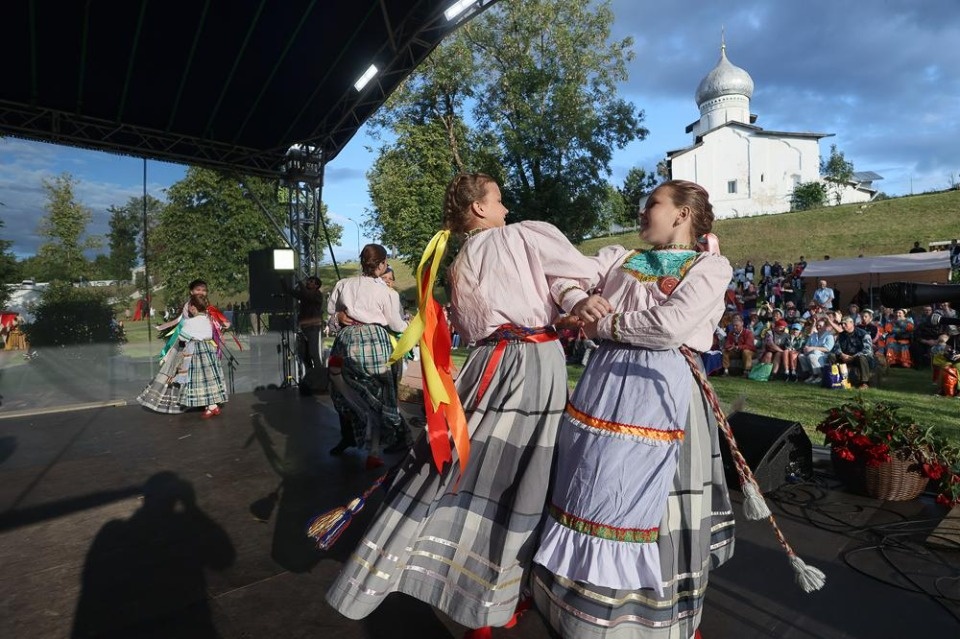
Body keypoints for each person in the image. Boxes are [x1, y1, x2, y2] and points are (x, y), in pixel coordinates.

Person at [325, 173, 603, 635]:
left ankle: (468, 588)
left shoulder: (458, 260)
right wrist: (617, 262)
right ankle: (500, 593)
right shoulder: (520, 235)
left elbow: (489, 317)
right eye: (499, 199)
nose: (506, 208)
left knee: (469, 467)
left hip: (486, 362)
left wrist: (563, 306)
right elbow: (583, 272)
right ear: (479, 207)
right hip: (532, 363)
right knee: (529, 472)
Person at [531, 180, 737, 638]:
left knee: (662, 503)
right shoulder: (618, 256)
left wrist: (601, 324)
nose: (643, 211)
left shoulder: (710, 266)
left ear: (682, 214)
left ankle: (656, 620)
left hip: (664, 393)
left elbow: (670, 326)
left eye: (653, 204)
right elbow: (561, 273)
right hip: (603, 387)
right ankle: (577, 614)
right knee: (590, 485)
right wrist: (578, 300)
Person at [325, 244, 409, 466]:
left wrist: (338, 317)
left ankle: (359, 429)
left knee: (347, 387)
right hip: (375, 341)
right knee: (380, 393)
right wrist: (412, 327)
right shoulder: (387, 293)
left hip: (347, 340)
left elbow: (331, 313)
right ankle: (374, 452)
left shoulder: (344, 284)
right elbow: (396, 324)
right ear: (382, 264)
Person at [137, 279, 230, 414]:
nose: (201, 292)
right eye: (198, 290)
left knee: (195, 375)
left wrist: (217, 328)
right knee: (182, 372)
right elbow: (188, 328)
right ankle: (193, 402)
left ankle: (204, 402)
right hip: (188, 347)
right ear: (191, 292)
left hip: (194, 346)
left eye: (204, 290)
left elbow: (211, 325)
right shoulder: (191, 306)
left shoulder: (205, 307)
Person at [173, 294, 229, 418]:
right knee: (210, 378)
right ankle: (212, 406)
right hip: (209, 349)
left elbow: (182, 336)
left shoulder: (189, 322)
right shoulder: (210, 319)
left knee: (198, 379)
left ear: (193, 307)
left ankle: (212, 407)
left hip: (196, 351)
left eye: (189, 306)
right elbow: (220, 328)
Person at [830, 315, 875, 389]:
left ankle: (864, 383)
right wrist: (841, 354)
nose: (843, 326)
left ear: (852, 323)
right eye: (842, 324)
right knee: (832, 356)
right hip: (845, 357)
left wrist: (853, 357)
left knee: (862, 357)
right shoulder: (841, 335)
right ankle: (835, 379)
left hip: (859, 358)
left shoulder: (863, 334)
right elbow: (836, 348)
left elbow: (867, 350)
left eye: (845, 323)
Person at [800, 316, 835, 384]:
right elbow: (807, 345)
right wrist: (806, 348)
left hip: (824, 355)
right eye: (817, 325)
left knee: (813, 354)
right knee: (801, 356)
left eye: (820, 325)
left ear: (825, 326)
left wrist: (813, 348)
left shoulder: (829, 336)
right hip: (812, 353)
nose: (818, 327)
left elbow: (827, 349)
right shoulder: (813, 335)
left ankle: (820, 376)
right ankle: (812, 374)